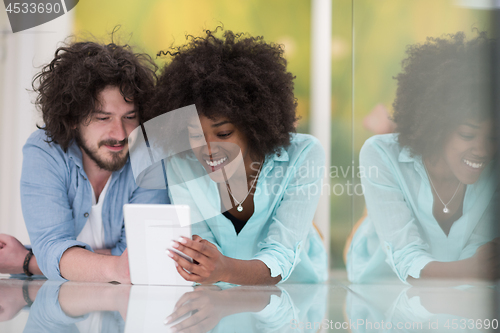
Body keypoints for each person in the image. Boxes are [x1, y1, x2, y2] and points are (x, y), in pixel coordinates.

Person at [138, 29, 328, 285]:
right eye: (195, 135)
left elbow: (282, 254)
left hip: (293, 298)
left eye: (224, 133)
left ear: (253, 126)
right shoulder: (181, 163)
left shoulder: (303, 155)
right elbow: (201, 247)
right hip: (215, 300)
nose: (207, 148)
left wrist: (224, 269)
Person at [0, 40, 168, 282]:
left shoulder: (150, 154)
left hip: (124, 309)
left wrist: (28, 261)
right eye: (103, 118)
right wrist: (111, 267)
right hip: (58, 309)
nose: (121, 134)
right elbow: (53, 247)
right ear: (73, 119)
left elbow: (141, 256)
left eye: (130, 117)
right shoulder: (44, 150)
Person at [346, 31, 499, 284]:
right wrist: (473, 270)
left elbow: (483, 257)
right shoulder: (379, 153)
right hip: (382, 291)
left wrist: (477, 268)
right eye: (467, 134)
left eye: (494, 137)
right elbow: (406, 258)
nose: (482, 150)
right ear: (437, 125)